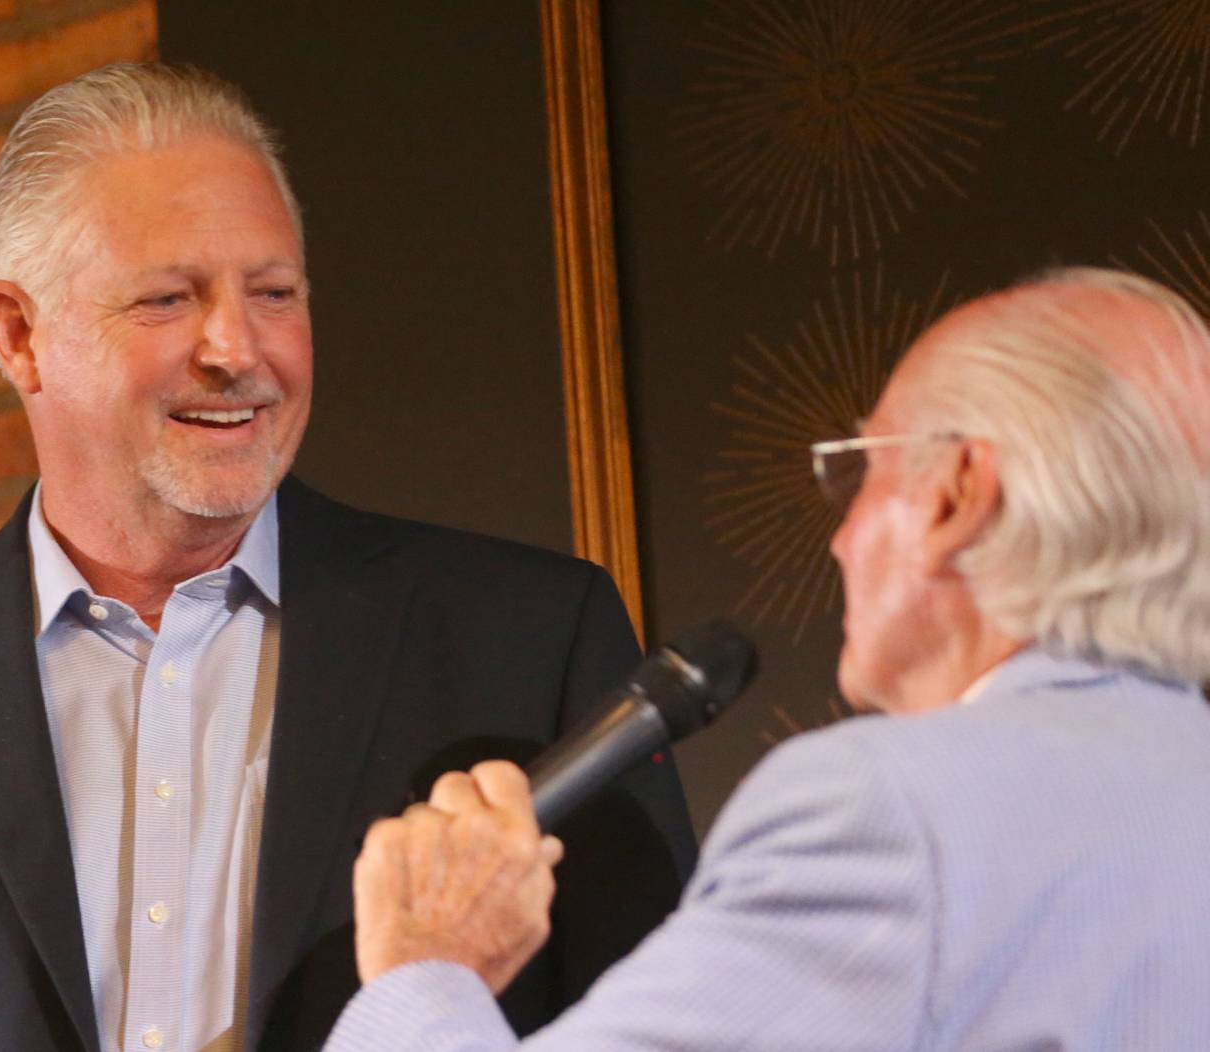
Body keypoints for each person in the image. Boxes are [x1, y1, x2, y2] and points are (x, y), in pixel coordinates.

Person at [0, 64, 695, 1052]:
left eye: (274, 291)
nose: (236, 346)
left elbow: (671, 1033)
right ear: (18, 334)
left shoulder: (527, 640)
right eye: (169, 298)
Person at [326, 267, 1210, 1051]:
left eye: (861, 472)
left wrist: (423, 968)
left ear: (957, 496)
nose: (842, 540)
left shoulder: (890, 814)